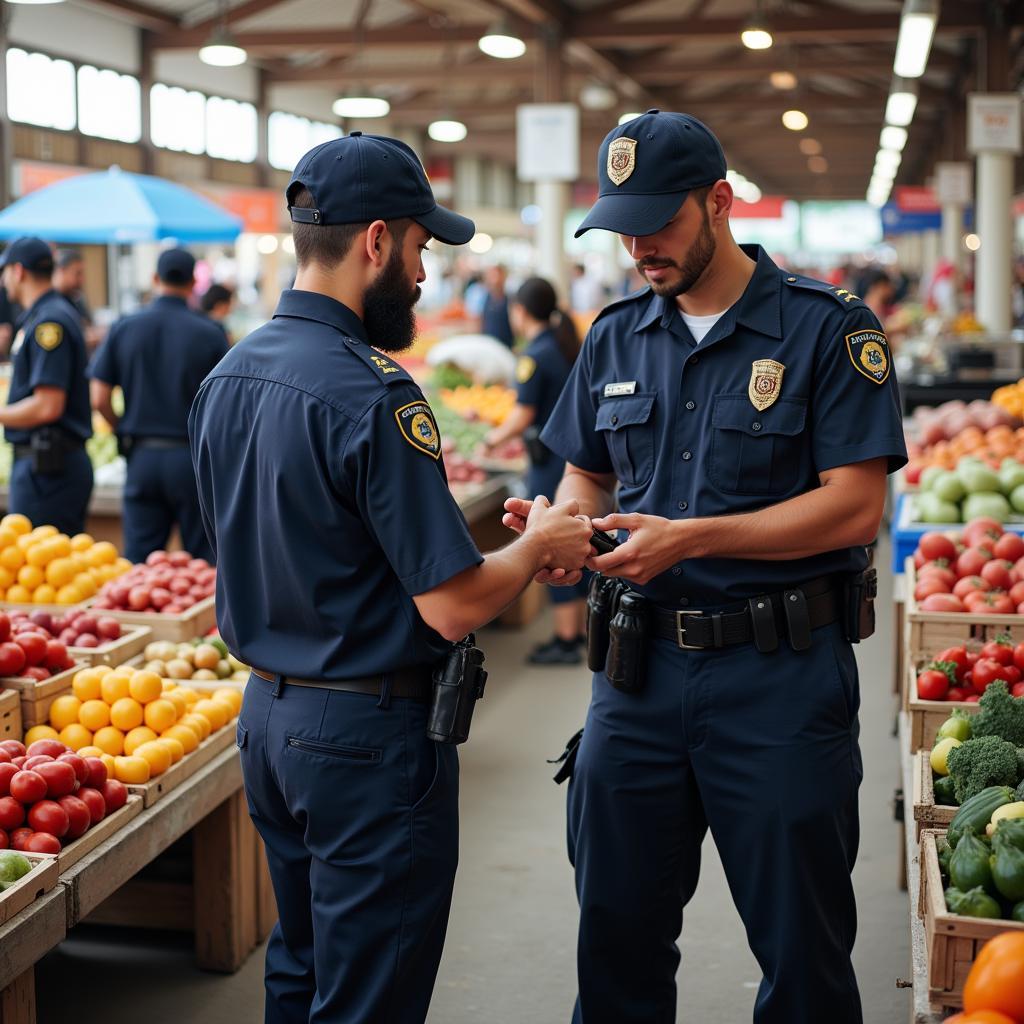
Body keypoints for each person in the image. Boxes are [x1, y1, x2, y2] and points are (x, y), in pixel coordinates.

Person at [502, 110, 906, 1024]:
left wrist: (691, 537)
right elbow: (584, 471)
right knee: (615, 941)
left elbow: (855, 504)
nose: (642, 246)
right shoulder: (612, 336)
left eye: (661, 222)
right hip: (635, 682)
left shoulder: (824, 331)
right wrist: (559, 528)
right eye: (624, 227)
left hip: (779, 680)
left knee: (802, 952)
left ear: (719, 201)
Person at [187, 132, 592, 1024]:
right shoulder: (376, 392)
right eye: (418, 249)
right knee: (369, 992)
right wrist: (540, 547)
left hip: (267, 722)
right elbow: (450, 605)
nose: (421, 276)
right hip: (364, 737)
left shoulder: (226, 376)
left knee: (298, 966)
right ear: (376, 241)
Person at [89, 249, 228, 563]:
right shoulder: (210, 333)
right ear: (194, 282)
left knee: (140, 565)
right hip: (192, 459)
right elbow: (227, 401)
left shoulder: (125, 327)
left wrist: (119, 426)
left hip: (142, 457)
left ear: (154, 279)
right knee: (202, 565)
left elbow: (99, 396)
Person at [485, 277, 588, 664]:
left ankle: (564, 640)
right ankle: (577, 631)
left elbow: (522, 414)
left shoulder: (535, 355)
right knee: (578, 539)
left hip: (547, 465)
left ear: (520, 311)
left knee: (551, 543)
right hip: (573, 460)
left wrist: (490, 440)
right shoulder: (564, 346)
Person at [0, 237, 93, 535]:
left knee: (46, 570)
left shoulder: (48, 323)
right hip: (47, 467)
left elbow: (47, 405)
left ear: (18, 271)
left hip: (49, 471)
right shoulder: (46, 315)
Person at [53, 249, 102, 350]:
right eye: (77, 273)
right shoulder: (51, 304)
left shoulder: (76, 299)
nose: (82, 280)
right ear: (61, 271)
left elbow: (88, 326)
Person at [479, 264, 514, 347]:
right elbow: (480, 321)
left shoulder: (510, 301)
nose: (495, 280)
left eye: (497, 276)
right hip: (488, 345)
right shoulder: (484, 298)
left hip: (505, 347)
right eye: (492, 276)